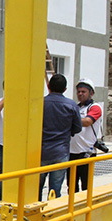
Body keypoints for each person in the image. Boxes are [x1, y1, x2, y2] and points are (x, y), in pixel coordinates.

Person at [39, 73, 82, 201]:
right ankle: (53, 210)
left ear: (48, 86)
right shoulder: (71, 105)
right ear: (65, 89)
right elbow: (78, 127)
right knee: (55, 189)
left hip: (40, 152)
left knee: (36, 188)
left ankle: (35, 211)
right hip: (60, 152)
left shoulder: (40, 103)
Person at [68, 78, 104, 192]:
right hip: (71, 152)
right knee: (71, 186)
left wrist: (68, 120)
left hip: (86, 152)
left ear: (91, 93)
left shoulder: (95, 107)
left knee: (86, 186)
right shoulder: (76, 107)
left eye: (83, 92)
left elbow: (88, 121)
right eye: (78, 91)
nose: (80, 94)